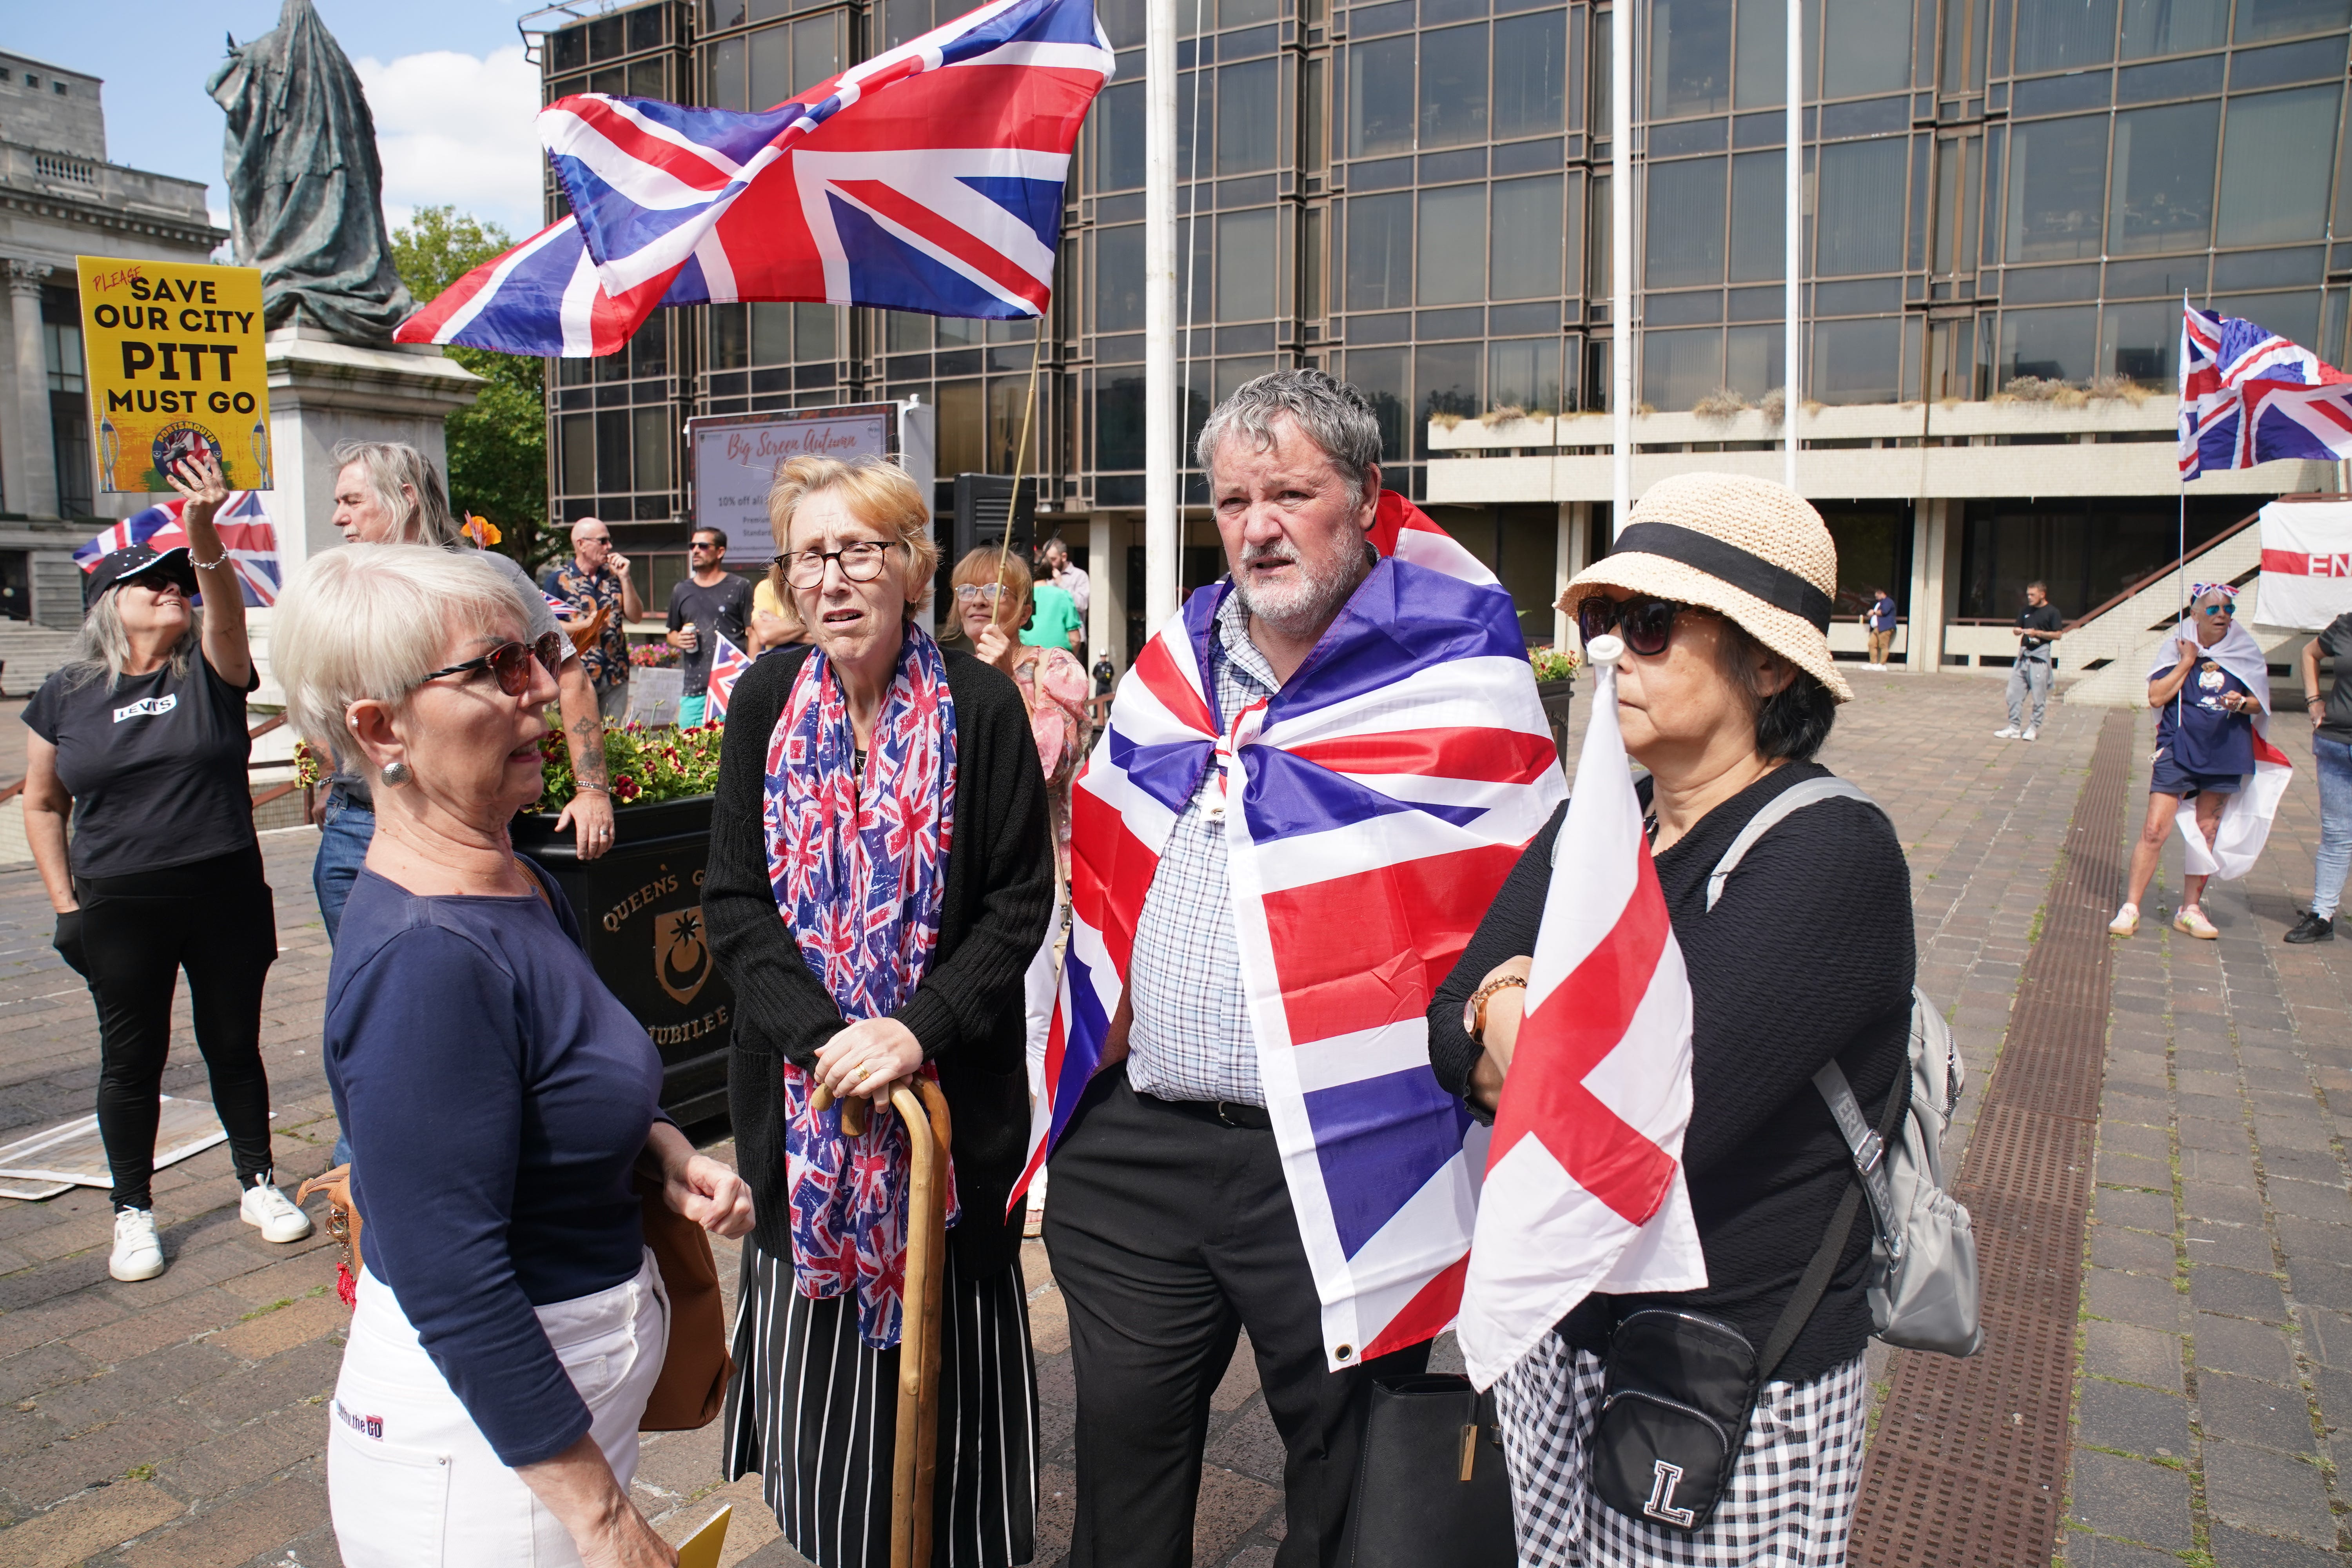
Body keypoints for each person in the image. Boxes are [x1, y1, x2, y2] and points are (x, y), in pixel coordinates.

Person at [1042, 370, 1566, 1568]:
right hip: (1140, 1148)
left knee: (1342, 1484)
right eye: (1231, 500)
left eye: (1290, 492)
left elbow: (1523, 903)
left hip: (1338, 1150)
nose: (1257, 524)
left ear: (1367, 501)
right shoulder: (1171, 664)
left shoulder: (1459, 675)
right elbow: (1107, 867)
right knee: (1119, 1476)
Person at [1430, 471, 1911, 1566]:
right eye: (1602, 624)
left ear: (1769, 659)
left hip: (1727, 1369)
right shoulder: (1604, 825)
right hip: (1568, 1330)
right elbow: (1443, 1018)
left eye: (1649, 628)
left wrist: (1508, 1018)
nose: (1610, 658)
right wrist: (1514, 1017)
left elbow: (1654, 1122)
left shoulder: (1830, 852)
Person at [273, 544, 755, 1568]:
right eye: (496, 667)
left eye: (539, 650)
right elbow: (449, 1272)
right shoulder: (429, 960)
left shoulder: (515, 882)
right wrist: (608, 1521)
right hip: (488, 1475)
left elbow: (556, 1086)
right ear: (379, 727)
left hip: (552, 1442)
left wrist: (665, 1153)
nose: (545, 684)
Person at [703, 455, 1054, 1568]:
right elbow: (733, 903)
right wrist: (826, 1040)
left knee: (949, 1430)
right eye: (813, 555)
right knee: (828, 1443)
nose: (836, 579)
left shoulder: (986, 707)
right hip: (805, 1128)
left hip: (945, 1119)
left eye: (863, 551)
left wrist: (915, 1029)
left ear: (912, 567)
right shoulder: (764, 698)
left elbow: (1016, 905)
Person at [23, 452, 314, 1284]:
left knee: (233, 1042)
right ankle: (132, 1209)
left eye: (177, 579)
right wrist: (65, 905)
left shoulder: (212, 673)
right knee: (132, 1058)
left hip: (222, 890)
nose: (171, 589)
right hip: (120, 902)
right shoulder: (66, 692)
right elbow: (43, 804)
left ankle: (258, 1182)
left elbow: (225, 613)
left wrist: (201, 535)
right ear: (108, 605)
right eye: (151, 581)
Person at [317, 443, 618, 952]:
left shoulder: (490, 575)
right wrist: (333, 776)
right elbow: (327, 699)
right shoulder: (348, 590)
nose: (336, 517)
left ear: (405, 498)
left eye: (351, 500)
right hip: (358, 827)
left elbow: (567, 675)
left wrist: (592, 790)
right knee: (379, 997)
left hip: (471, 827)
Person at [2112, 584, 2268, 940]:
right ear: (2194, 614)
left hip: (2225, 749)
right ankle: (2131, 907)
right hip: (2178, 747)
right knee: (2154, 830)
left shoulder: (2245, 650)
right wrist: (2187, 661)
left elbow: (2261, 702)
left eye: (2229, 610)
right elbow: (2155, 696)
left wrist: (2241, 703)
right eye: (2214, 610)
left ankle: (2190, 910)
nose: (2223, 616)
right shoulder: (2178, 647)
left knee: (2206, 832)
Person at [949, 547, 1090, 882]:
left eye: (995, 591)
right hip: (970, 866)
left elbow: (1050, 766)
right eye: (967, 590)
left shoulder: (1056, 667)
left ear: (1025, 613)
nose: (979, 601)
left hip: (1038, 863)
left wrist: (1008, 682)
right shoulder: (945, 674)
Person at [542, 517, 644, 724]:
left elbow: (636, 616)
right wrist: (585, 626)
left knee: (613, 738)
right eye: (603, 541)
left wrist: (625, 578)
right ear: (582, 544)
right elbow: (548, 626)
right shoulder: (559, 580)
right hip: (578, 676)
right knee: (583, 736)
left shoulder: (613, 577)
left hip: (616, 674)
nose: (610, 547)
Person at [2289, 611, 2352, 943]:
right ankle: (2322, 915)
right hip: (2335, 746)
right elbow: (2309, 653)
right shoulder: (2346, 625)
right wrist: (2314, 702)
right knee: (2336, 835)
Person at [667, 526, 755, 727]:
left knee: (729, 755)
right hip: (695, 689)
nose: (696, 550)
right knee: (689, 752)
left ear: (720, 552)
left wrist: (752, 678)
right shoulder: (681, 590)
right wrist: (678, 639)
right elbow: (671, 634)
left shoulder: (740, 586)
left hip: (732, 687)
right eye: (693, 545)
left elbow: (752, 634)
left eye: (703, 546)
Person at [1995, 581, 2065, 741]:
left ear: (2042, 594)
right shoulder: (2025, 611)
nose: (2030, 598)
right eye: (2028, 595)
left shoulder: (2052, 612)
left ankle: (2033, 728)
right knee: (2013, 694)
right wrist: (2017, 631)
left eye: (2033, 595)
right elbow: (2016, 629)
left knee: (2038, 697)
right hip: (2023, 658)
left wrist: (2038, 633)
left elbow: (2058, 635)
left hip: (2039, 659)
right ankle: (2014, 727)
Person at [748, 557, 805, 653]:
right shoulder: (768, 587)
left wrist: (780, 624)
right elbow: (766, 635)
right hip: (777, 659)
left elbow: (828, 637)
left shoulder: (820, 587)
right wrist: (808, 623)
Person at [1024, 573, 1084, 655]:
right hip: (1059, 658)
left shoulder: (1022, 597)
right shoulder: (1063, 595)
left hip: (1027, 656)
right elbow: (1075, 639)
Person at [1038, 534, 1089, 616]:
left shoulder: (1079, 575)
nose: (1050, 563)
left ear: (1064, 557)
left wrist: (1061, 584)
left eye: (1053, 559)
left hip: (1071, 628)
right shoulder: (1043, 576)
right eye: (1047, 559)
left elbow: (1083, 605)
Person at [1865, 586, 1897, 667]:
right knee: (1872, 644)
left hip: (1885, 627)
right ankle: (1873, 663)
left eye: (1877, 596)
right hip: (1877, 628)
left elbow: (1884, 612)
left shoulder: (1888, 602)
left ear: (1882, 594)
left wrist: (1874, 612)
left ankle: (1882, 664)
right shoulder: (1880, 603)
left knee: (1883, 646)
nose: (1876, 598)